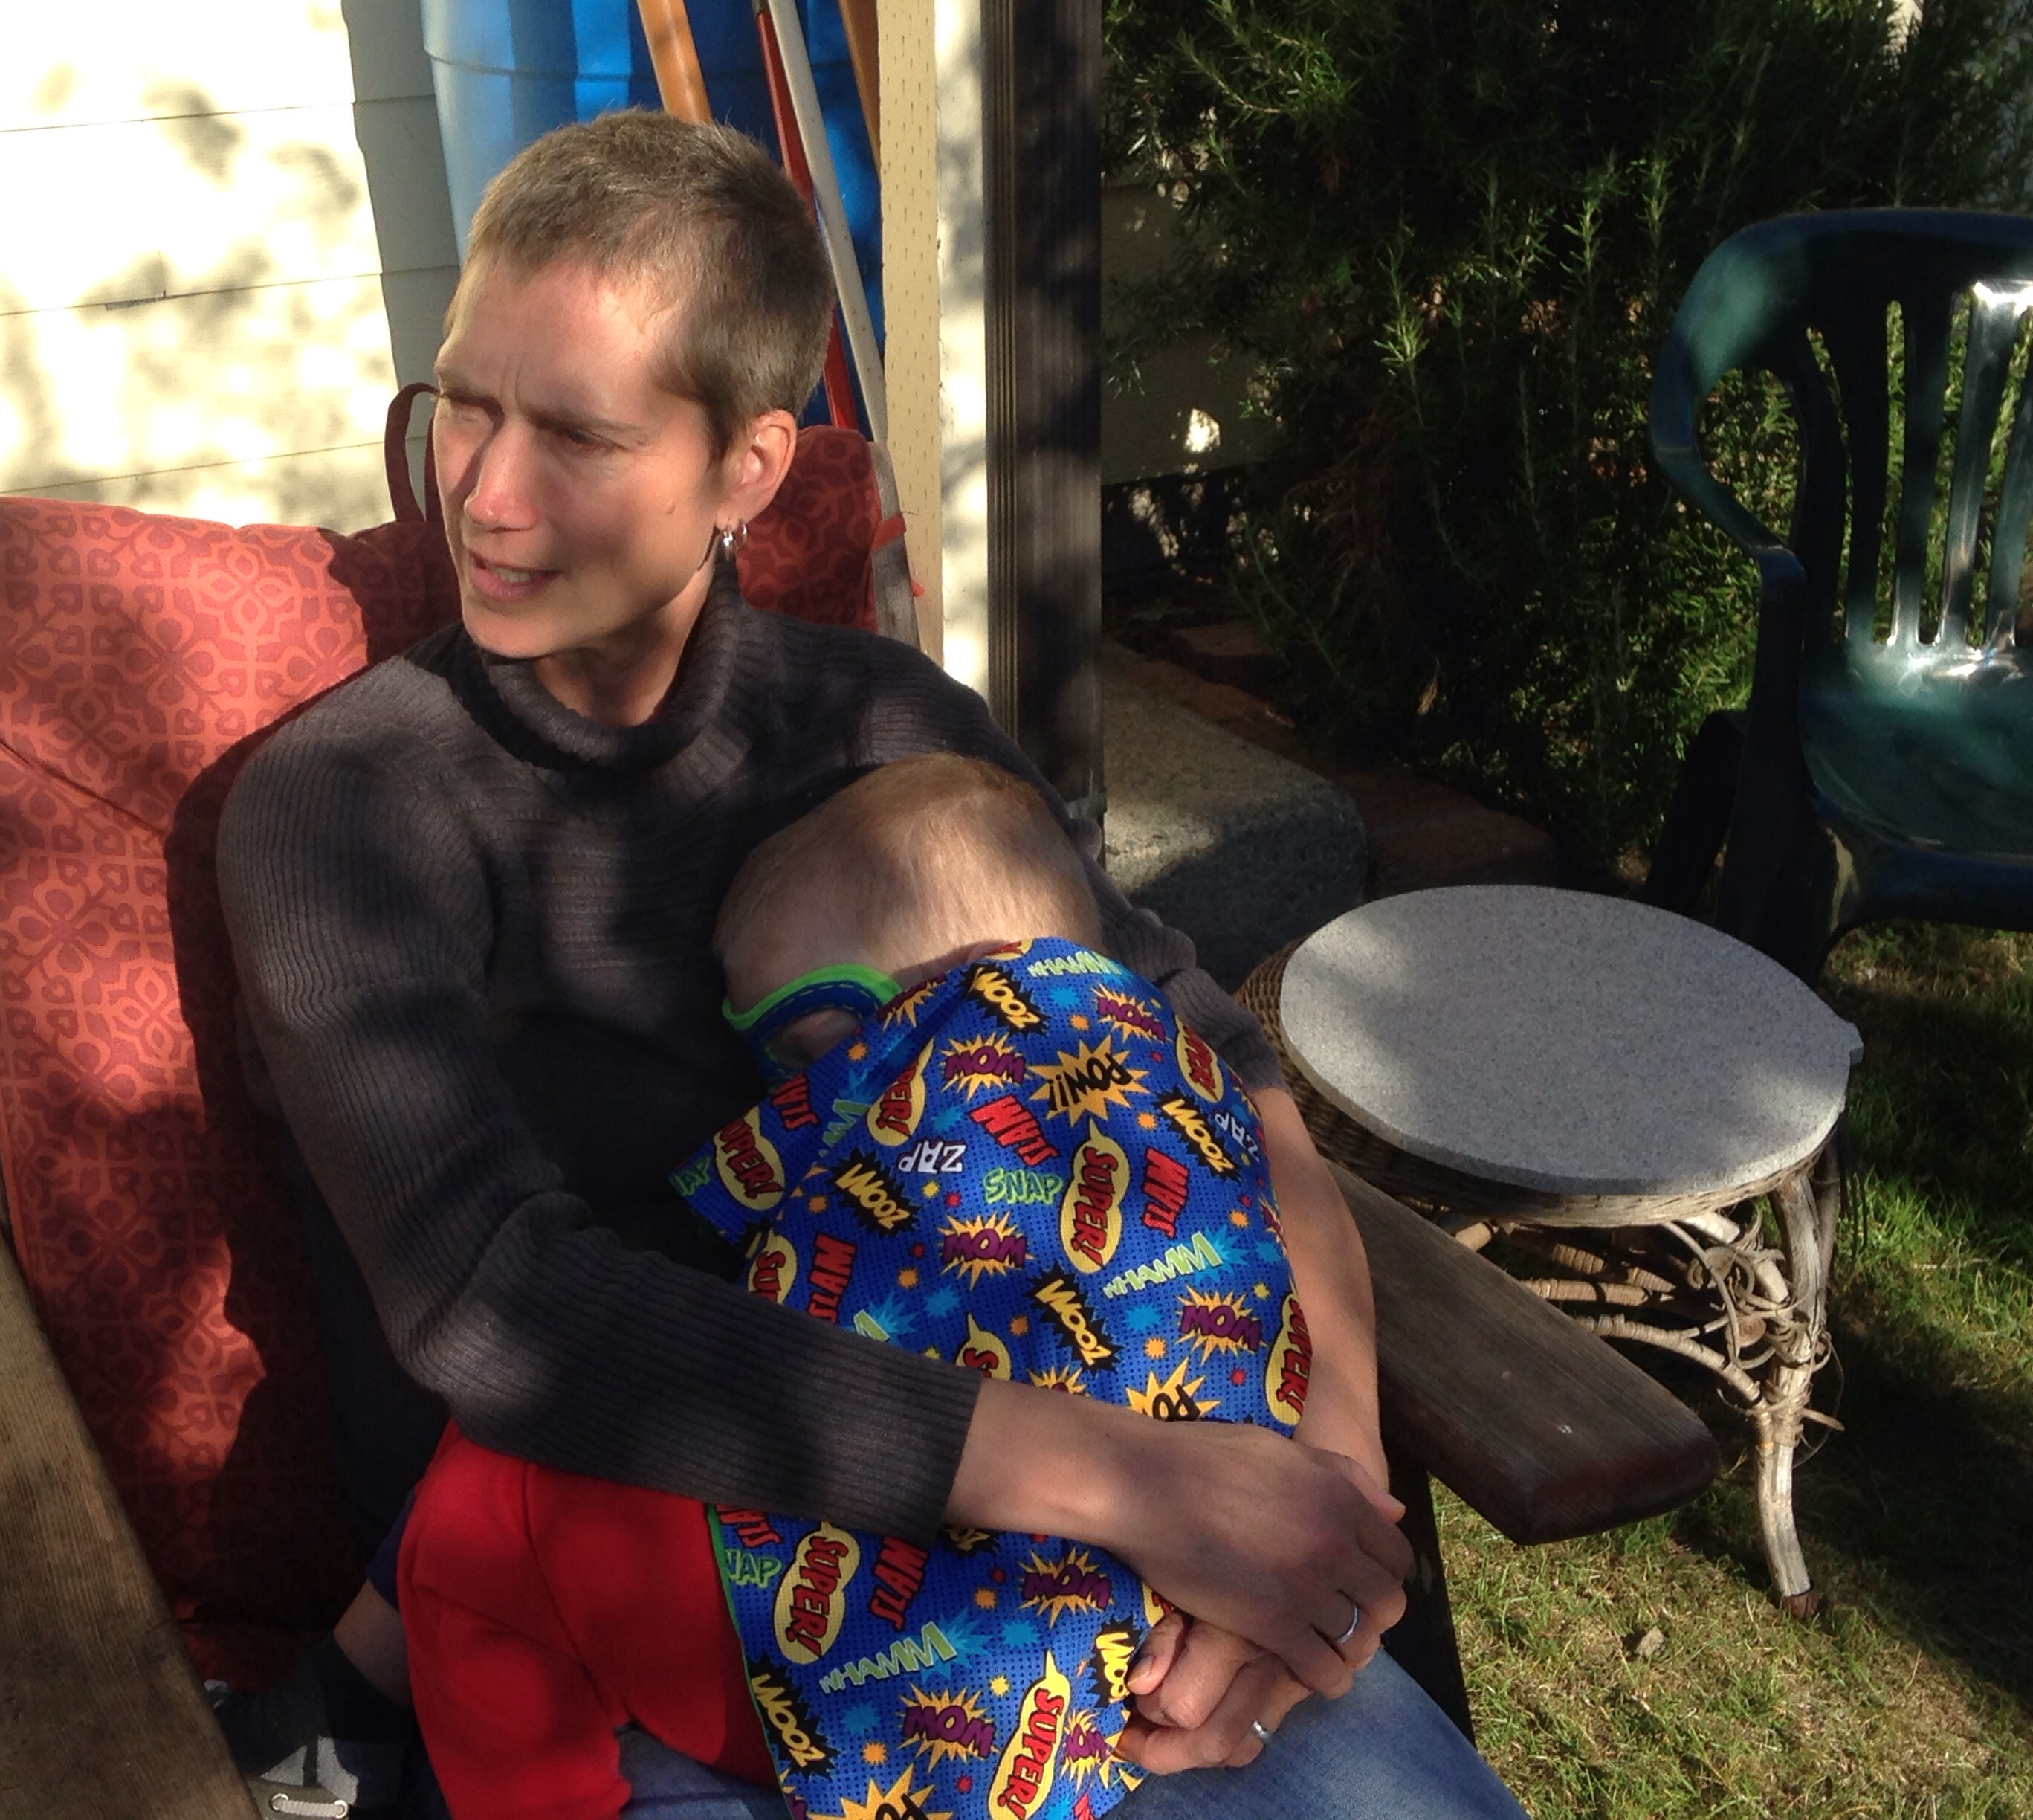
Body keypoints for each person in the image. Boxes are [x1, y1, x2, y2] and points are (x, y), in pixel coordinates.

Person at [216, 107, 1518, 1818]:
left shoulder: (891, 729)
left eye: (578, 434)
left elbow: (1209, 1057)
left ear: (749, 469)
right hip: (651, 1619)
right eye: (462, 403)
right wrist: (1141, 1486)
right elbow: (496, 1300)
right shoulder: (347, 807)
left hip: (1108, 1568)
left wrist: (1320, 1484)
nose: (484, 492)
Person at [395, 752, 1327, 1820]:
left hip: (877, 1693)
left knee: (486, 1504)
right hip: (1145, 1666)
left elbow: (648, 1275)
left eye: (801, 1046)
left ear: (944, 988)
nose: (780, 1091)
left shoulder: (937, 1042)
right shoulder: (1196, 1079)